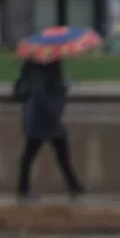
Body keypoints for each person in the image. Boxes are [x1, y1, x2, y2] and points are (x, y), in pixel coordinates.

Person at [12, 60, 85, 201]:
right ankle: (24, 189)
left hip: (38, 117)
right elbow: (46, 91)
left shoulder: (30, 64)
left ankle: (73, 185)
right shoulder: (50, 64)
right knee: (46, 152)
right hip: (44, 118)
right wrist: (63, 88)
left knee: (47, 152)